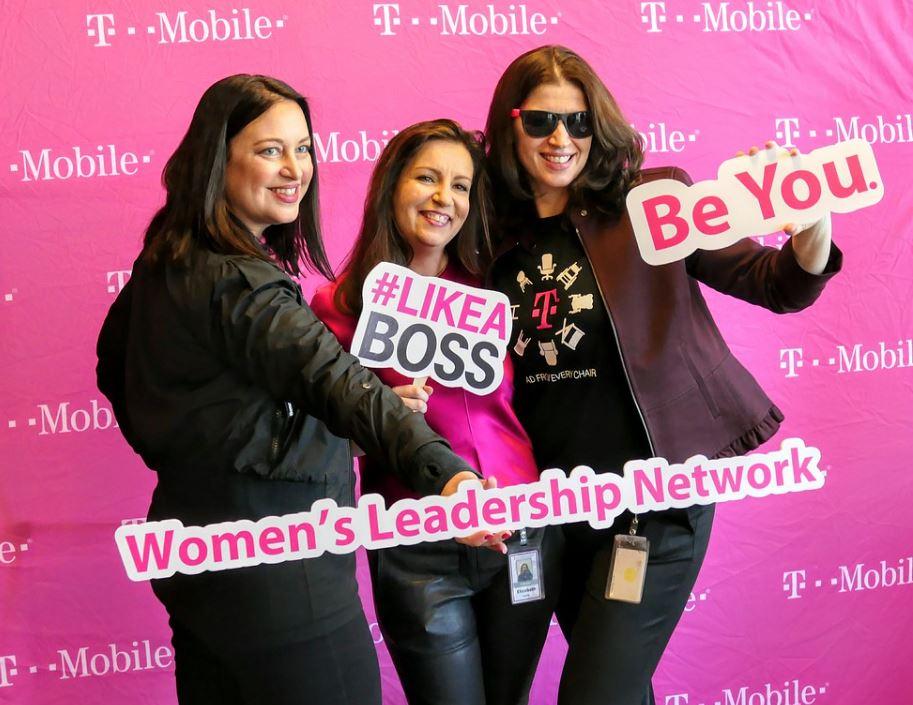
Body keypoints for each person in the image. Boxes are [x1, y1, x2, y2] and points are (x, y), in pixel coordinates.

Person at [95, 76, 500, 705]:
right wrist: (451, 477)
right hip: (282, 577)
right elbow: (338, 383)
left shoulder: (165, 261)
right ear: (216, 159)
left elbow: (116, 373)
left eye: (303, 149)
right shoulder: (240, 281)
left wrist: (237, 446)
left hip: (197, 561)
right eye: (269, 150)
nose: (295, 170)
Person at [483, 46, 842, 705]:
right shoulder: (491, 240)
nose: (561, 139)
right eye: (539, 122)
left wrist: (810, 226)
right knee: (620, 689)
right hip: (556, 511)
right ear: (509, 128)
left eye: (579, 121)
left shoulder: (653, 202)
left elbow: (776, 284)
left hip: (654, 504)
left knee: (595, 694)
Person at [310, 119, 559, 705]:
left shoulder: (493, 289)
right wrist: (373, 421)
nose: (444, 198)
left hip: (518, 528)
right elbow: (318, 441)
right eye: (427, 178)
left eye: (461, 185)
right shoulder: (340, 304)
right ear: (392, 186)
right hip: (417, 545)